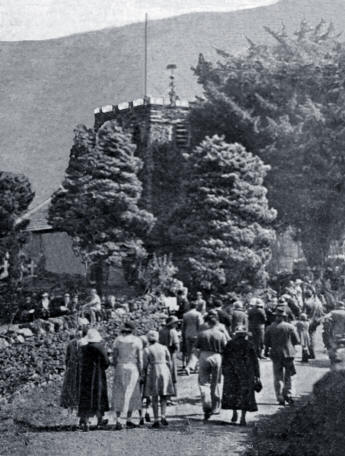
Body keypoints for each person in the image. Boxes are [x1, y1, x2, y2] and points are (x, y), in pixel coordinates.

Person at [222, 326, 260, 426]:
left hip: (232, 372)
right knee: (245, 394)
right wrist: (257, 374)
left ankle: (234, 412)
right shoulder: (249, 344)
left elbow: (225, 358)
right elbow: (254, 360)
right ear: (244, 335)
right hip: (246, 372)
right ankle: (243, 417)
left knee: (233, 392)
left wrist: (224, 371)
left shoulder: (230, 344)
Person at [264, 307, 299, 405]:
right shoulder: (290, 327)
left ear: (275, 316)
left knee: (277, 376)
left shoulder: (270, 327)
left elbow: (266, 342)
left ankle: (280, 397)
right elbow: (296, 340)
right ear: (284, 317)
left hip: (275, 354)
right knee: (289, 375)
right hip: (289, 353)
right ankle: (288, 394)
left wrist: (268, 350)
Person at [195, 312, 227, 422]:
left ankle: (206, 403)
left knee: (203, 382)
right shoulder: (220, 334)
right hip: (217, 356)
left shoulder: (202, 333)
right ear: (216, 323)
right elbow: (225, 347)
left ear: (208, 323)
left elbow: (196, 347)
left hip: (204, 355)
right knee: (216, 381)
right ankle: (216, 406)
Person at [112, 321, 143, 429]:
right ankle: (127, 418)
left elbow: (114, 357)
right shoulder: (137, 340)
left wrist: (116, 366)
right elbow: (140, 359)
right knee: (132, 391)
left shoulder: (117, 340)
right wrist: (141, 371)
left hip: (120, 366)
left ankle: (119, 419)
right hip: (132, 366)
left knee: (119, 392)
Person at [78, 328, 110, 431]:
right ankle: (100, 419)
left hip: (86, 374)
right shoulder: (99, 347)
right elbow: (106, 361)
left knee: (87, 396)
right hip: (97, 374)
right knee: (98, 395)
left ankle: (86, 421)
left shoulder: (83, 348)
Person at [143, 330, 175, 428]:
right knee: (164, 395)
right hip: (164, 369)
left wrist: (143, 374)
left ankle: (156, 419)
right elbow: (169, 361)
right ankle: (163, 416)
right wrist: (170, 372)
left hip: (154, 370)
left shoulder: (147, 349)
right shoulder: (164, 347)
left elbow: (145, 364)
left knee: (154, 396)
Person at [60, 326, 88, 411]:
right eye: (77, 332)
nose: (79, 334)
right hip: (72, 367)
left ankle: (80, 403)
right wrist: (68, 366)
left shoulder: (86, 343)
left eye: (80, 332)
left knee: (81, 384)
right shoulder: (71, 343)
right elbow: (67, 356)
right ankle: (70, 403)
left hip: (82, 367)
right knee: (71, 385)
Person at [159, 316, 180, 397]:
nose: (177, 324)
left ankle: (164, 392)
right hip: (171, 354)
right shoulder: (173, 331)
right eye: (175, 322)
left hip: (162, 354)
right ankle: (173, 393)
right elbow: (176, 345)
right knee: (173, 374)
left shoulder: (161, 330)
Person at [182, 302, 203, 375]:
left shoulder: (185, 315)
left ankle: (188, 366)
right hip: (196, 334)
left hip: (187, 334)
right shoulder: (198, 314)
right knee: (196, 351)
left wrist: (183, 335)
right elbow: (200, 325)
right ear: (196, 306)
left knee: (189, 351)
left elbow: (183, 326)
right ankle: (195, 367)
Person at [303, 289, 324, 359]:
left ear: (305, 295)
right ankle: (312, 353)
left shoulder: (307, 303)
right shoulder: (318, 302)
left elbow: (304, 314)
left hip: (310, 321)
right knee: (312, 335)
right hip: (317, 320)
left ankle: (312, 353)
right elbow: (322, 311)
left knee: (308, 337)